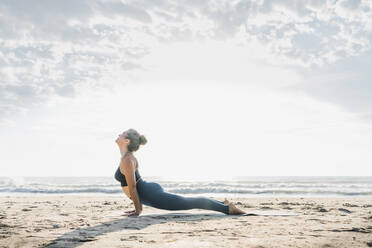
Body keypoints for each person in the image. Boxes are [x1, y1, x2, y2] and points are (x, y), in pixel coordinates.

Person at [114, 128, 246, 217]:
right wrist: (137, 207)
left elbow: (132, 187)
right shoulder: (126, 158)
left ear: (126, 141)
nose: (118, 135)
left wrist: (138, 210)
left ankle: (227, 209)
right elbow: (133, 186)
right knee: (187, 201)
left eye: (121, 134)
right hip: (147, 192)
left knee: (189, 202)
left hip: (151, 195)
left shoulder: (127, 159)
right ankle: (223, 203)